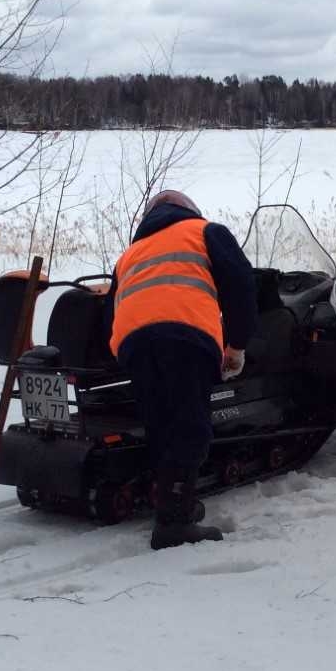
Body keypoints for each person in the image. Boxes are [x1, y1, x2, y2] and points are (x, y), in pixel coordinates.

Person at [107, 189, 256, 550]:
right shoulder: (204, 231)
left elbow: (109, 313)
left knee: (161, 425)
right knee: (190, 426)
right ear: (189, 210)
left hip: (134, 344)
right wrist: (237, 344)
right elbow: (241, 283)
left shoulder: (129, 255)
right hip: (186, 334)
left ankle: (175, 501)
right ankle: (173, 524)